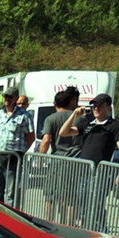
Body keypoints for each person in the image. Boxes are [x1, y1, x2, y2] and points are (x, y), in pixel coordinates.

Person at [62, 93, 119, 227]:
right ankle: (89, 229)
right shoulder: (87, 124)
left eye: (100, 106)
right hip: (84, 172)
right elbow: (63, 132)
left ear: (108, 107)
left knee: (96, 204)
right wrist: (74, 115)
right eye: (94, 106)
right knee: (84, 205)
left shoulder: (114, 125)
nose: (96, 109)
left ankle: (100, 230)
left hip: (101, 173)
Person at [37, 88, 82, 223]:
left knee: (51, 196)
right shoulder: (78, 118)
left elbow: (46, 140)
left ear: (54, 103)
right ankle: (69, 226)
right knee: (70, 198)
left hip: (57, 161)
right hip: (75, 161)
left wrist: (40, 157)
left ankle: (48, 223)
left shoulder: (50, 119)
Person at [0, 86, 34, 206]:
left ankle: (8, 221)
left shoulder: (24, 116)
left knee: (11, 194)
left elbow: (31, 136)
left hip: (13, 157)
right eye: (5, 96)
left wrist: (22, 151)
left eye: (10, 97)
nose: (7, 99)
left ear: (16, 98)